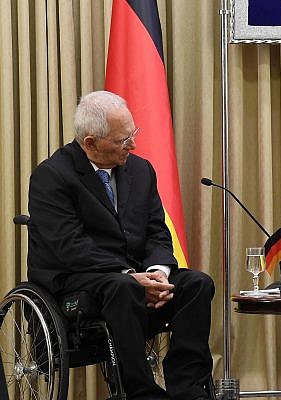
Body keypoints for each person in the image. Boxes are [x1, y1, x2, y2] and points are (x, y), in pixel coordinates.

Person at [27, 90, 215, 400]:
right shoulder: (52, 176)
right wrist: (130, 275)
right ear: (91, 143)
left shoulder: (141, 170)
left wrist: (158, 273)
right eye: (122, 141)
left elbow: (157, 230)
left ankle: (189, 388)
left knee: (196, 284)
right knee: (122, 287)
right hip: (80, 278)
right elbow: (70, 247)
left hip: (134, 276)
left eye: (132, 135)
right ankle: (141, 392)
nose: (134, 146)